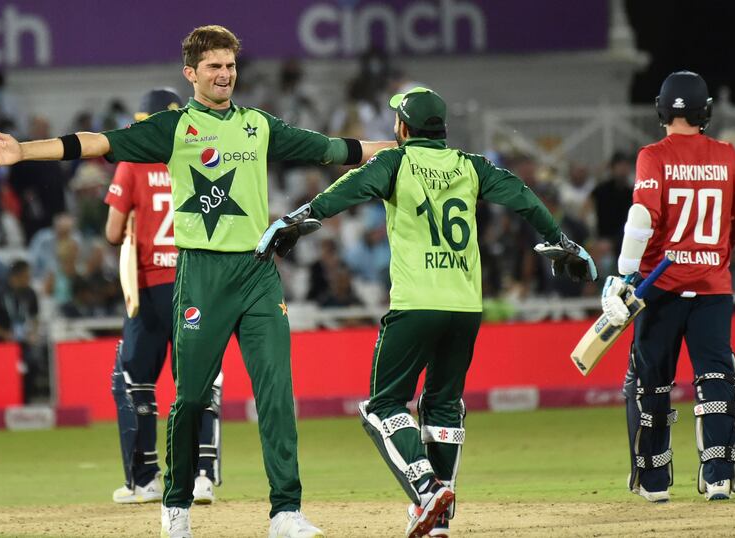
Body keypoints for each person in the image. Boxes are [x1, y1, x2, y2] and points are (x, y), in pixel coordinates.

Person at [0, 24, 392, 538]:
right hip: (200, 273)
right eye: (214, 67)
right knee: (192, 395)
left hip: (259, 273)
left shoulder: (258, 125)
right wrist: (25, 150)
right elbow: (96, 142)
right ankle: (175, 505)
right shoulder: (173, 129)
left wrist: (399, 147)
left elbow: (335, 149)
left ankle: (286, 511)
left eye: (231, 66)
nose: (225, 75)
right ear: (191, 73)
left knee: (277, 394)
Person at [256, 86, 597, 538]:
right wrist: (562, 242)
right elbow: (522, 195)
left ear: (402, 127)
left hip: (417, 303)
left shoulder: (395, 162)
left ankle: (425, 487)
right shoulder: (470, 166)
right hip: (465, 307)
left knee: (382, 406)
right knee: (443, 406)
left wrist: (300, 219)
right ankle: (437, 520)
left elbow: (348, 190)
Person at [600, 71, 735, 503]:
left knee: (651, 382)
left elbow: (641, 219)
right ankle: (719, 476)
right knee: (716, 377)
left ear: (661, 109)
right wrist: (713, 253)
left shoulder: (653, 155)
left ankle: (654, 482)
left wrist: (625, 276)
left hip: (658, 286)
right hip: (712, 287)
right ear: (706, 111)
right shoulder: (727, 156)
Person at [104, 88, 223, 506]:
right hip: (197, 282)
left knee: (135, 381)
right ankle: (203, 477)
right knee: (199, 381)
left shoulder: (133, 162)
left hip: (152, 287)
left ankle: (146, 479)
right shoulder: (201, 158)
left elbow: (113, 232)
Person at [0, 260, 48, 403]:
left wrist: (33, 332)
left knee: (33, 363)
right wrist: (5, 334)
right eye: (27, 276)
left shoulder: (30, 294)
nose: (29, 279)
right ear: (17, 276)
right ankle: (4, 401)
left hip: (23, 342)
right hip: (2, 344)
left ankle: (26, 402)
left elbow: (35, 318)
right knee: (6, 371)